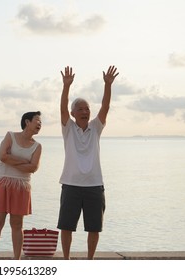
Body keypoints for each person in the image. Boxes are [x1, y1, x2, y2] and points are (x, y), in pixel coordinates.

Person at [57, 66, 119, 260]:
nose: (85, 111)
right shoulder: (68, 129)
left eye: (87, 109)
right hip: (71, 184)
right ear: (73, 113)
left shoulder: (96, 127)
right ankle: (66, 261)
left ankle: (89, 261)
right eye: (80, 109)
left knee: (94, 227)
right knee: (66, 226)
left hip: (94, 185)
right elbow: (62, 108)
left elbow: (105, 107)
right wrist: (66, 86)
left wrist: (107, 85)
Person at [0, 111, 43, 260]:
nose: (39, 124)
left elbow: (33, 168)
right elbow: (2, 156)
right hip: (1, 181)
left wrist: (13, 160)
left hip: (21, 186)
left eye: (41, 122)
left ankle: (16, 261)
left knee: (17, 225)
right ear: (27, 122)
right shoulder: (10, 136)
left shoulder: (37, 146)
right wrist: (24, 162)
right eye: (37, 121)